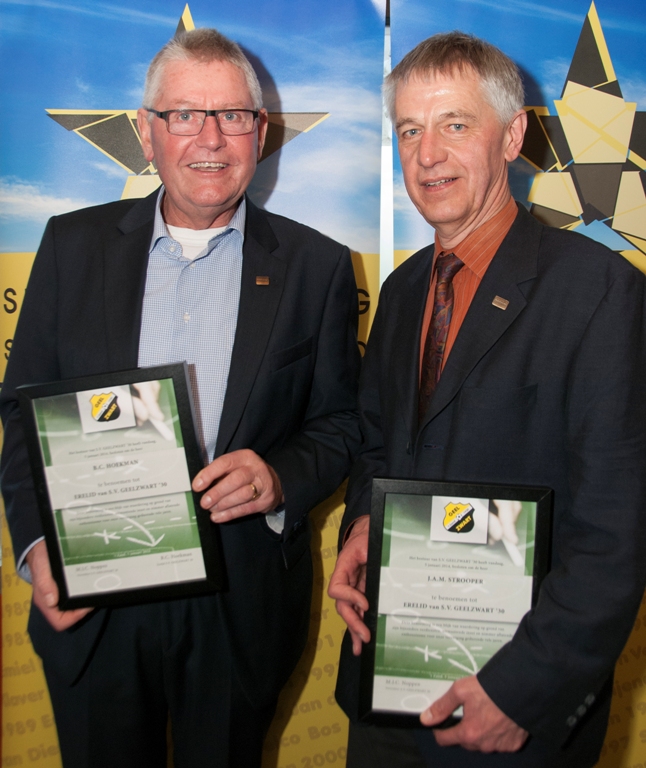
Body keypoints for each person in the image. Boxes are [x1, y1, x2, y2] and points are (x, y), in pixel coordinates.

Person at [0, 28, 361, 768]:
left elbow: (343, 422)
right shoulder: (71, 247)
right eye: (184, 115)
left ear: (261, 132)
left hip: (239, 609)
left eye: (233, 115)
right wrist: (38, 547)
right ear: (146, 131)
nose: (210, 138)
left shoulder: (317, 266)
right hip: (94, 599)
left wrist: (279, 477)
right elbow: (22, 411)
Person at [329, 31, 646, 768]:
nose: (428, 154)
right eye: (410, 130)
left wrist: (523, 693)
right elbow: (377, 447)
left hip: (510, 713)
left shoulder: (602, 294)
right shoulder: (404, 289)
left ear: (511, 136)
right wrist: (365, 524)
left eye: (455, 124)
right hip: (385, 688)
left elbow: (617, 532)